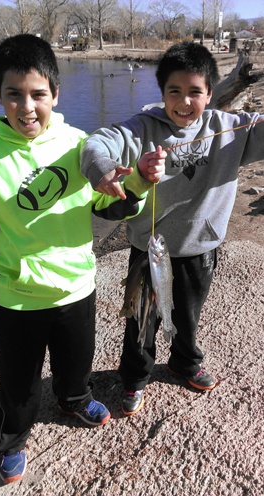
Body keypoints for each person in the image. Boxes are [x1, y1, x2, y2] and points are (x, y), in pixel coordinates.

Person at [0, 34, 165, 485]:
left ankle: (73, 398)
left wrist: (139, 182)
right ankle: (11, 438)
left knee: (75, 363)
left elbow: (109, 207)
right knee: (18, 386)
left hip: (77, 288)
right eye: (14, 94)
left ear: (55, 94)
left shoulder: (81, 144)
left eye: (38, 95)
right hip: (17, 297)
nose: (27, 107)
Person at [81, 41, 264, 416]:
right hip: (150, 251)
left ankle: (184, 361)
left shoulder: (231, 129)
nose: (184, 102)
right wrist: (102, 166)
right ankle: (134, 377)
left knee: (187, 315)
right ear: (162, 93)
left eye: (195, 92)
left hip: (201, 249)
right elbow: (96, 142)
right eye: (174, 92)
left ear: (210, 93)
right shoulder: (142, 129)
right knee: (141, 320)